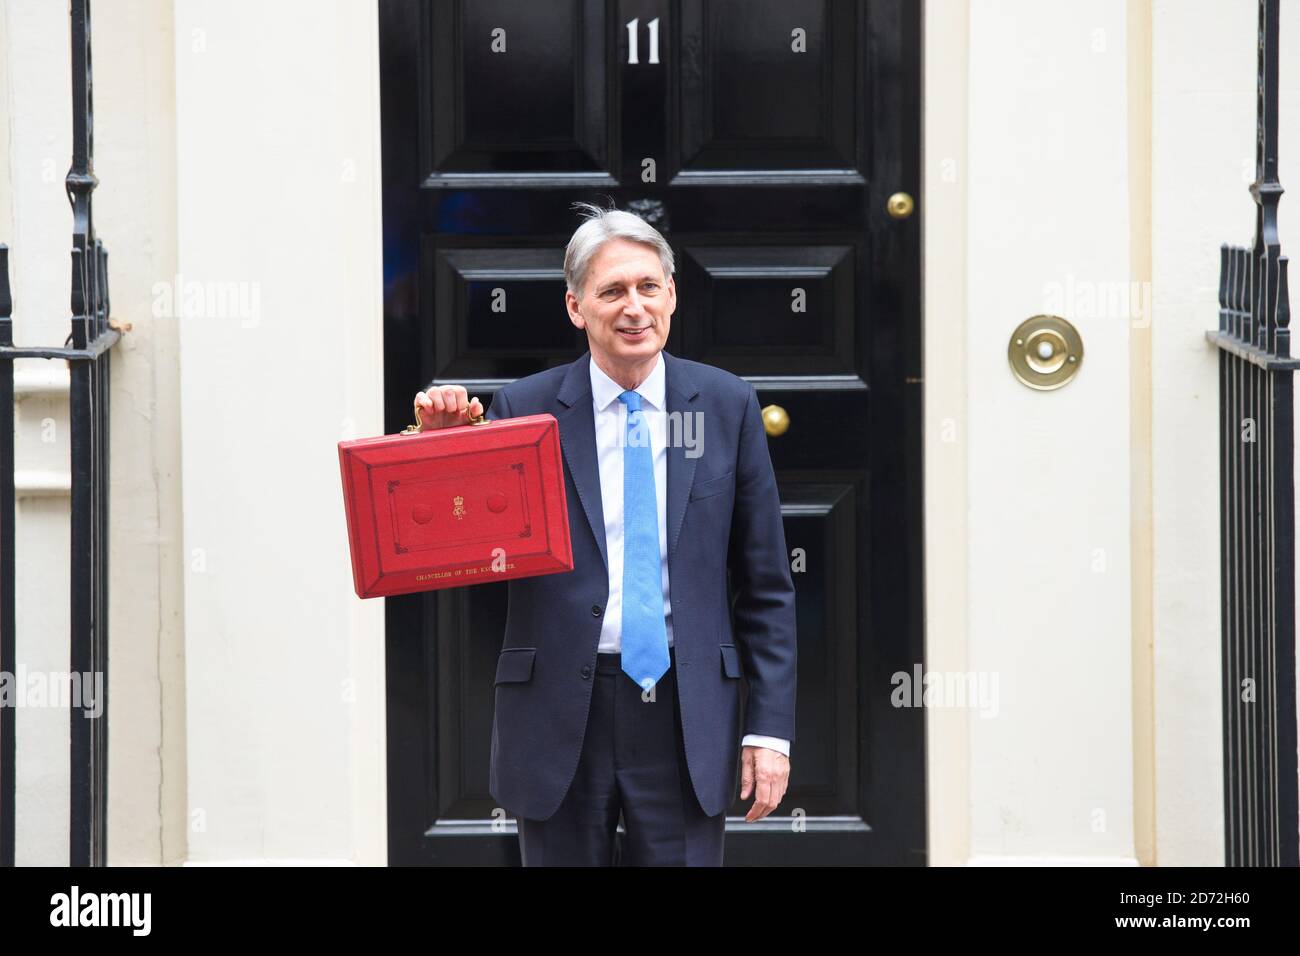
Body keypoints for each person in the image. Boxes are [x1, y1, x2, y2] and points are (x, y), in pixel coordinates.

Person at [415, 202, 796, 866]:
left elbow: (766, 586)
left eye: (648, 286)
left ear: (671, 294)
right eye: (612, 291)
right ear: (576, 307)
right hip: (564, 710)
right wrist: (445, 455)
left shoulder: (727, 403)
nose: (634, 307)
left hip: (686, 711)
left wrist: (770, 730)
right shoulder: (522, 408)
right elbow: (470, 561)